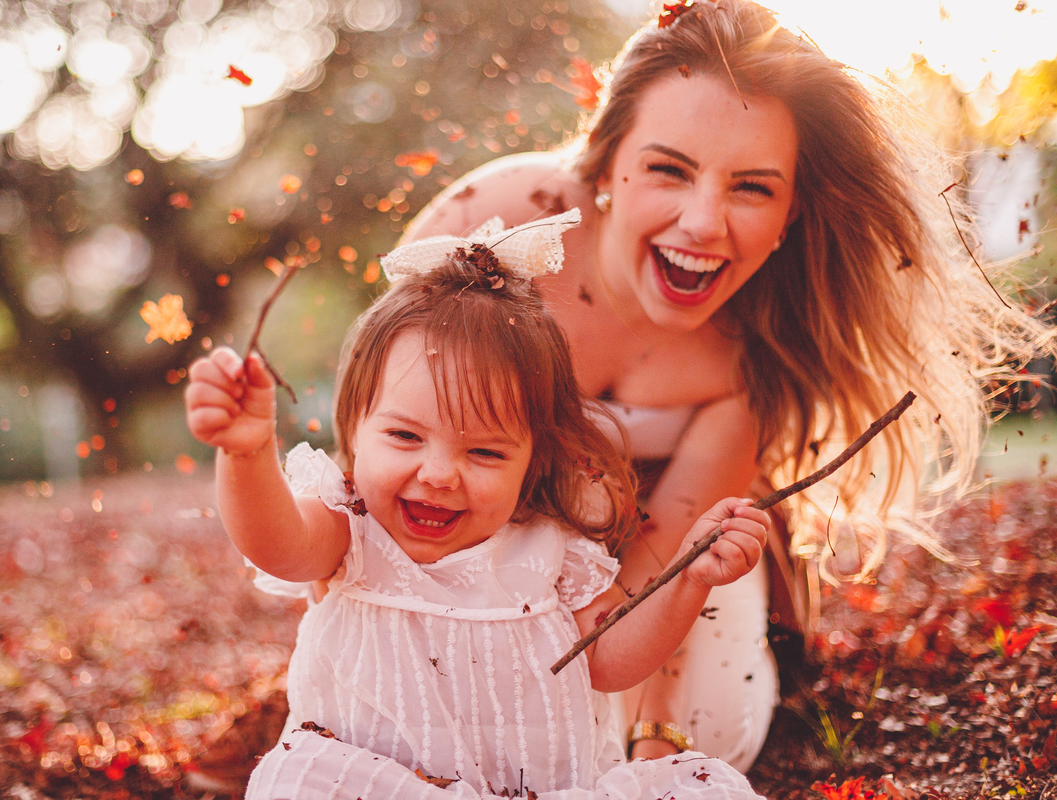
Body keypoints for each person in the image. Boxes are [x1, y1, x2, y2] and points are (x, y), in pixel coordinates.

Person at [402, 0, 1053, 770]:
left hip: (653, 549)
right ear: (607, 163)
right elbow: (382, 433)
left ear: (790, 211)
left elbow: (662, 565)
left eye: (751, 187)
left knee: (704, 732)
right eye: (669, 169)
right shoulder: (496, 225)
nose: (704, 223)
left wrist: (655, 727)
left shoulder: (763, 348)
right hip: (473, 522)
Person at [183, 210, 773, 798]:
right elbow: (277, 545)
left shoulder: (550, 551)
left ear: (534, 461)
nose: (439, 475)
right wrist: (247, 453)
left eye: (486, 453)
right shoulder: (353, 527)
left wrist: (687, 580)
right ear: (355, 428)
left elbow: (612, 662)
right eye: (405, 437)